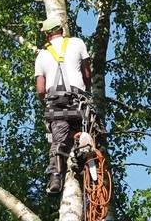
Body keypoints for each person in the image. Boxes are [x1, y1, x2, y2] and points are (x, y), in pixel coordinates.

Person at [34, 17, 92, 193]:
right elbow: (87, 73)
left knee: (58, 141)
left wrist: (47, 105)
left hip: (56, 104)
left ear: (46, 34)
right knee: (84, 134)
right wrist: (86, 92)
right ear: (62, 30)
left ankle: (55, 178)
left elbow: (41, 90)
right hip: (78, 102)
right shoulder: (77, 43)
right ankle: (81, 167)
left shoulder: (42, 55)